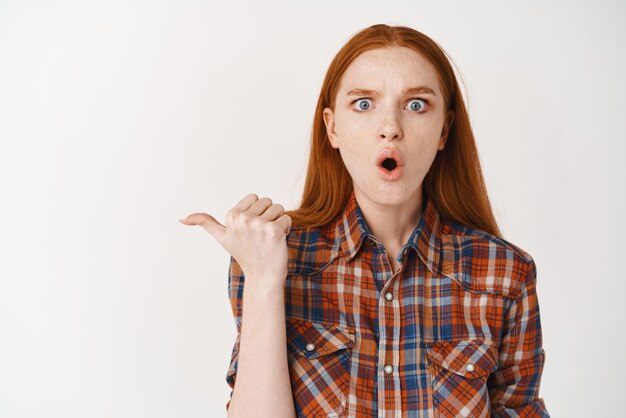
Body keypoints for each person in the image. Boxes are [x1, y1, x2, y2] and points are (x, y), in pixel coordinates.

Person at [180, 23, 550, 418]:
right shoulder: (271, 258)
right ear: (332, 127)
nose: (390, 128)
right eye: (363, 103)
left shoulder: (505, 274)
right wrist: (264, 279)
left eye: (416, 105)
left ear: (444, 129)